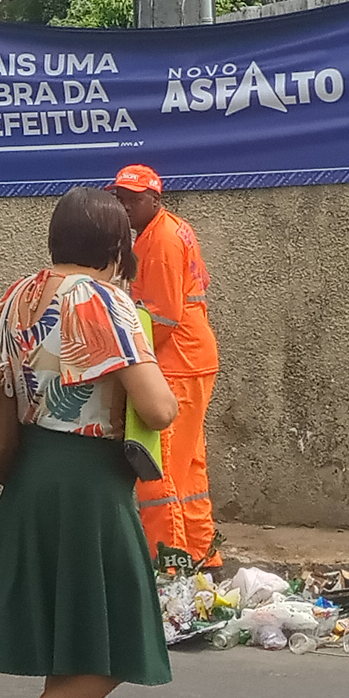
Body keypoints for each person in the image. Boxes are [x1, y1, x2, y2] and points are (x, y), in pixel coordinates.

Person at [0, 187, 179, 698]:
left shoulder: (19, 294)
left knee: (73, 639)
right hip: (90, 482)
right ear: (116, 244)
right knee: (121, 645)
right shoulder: (105, 301)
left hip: (30, 475)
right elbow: (156, 409)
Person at [110, 164, 219, 570]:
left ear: (155, 199)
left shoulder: (161, 240)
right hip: (189, 358)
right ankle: (201, 556)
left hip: (177, 361)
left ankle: (167, 565)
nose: (125, 206)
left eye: (133, 199)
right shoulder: (167, 230)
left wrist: (133, 363)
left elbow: (163, 317)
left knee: (158, 470)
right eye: (120, 198)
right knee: (188, 469)